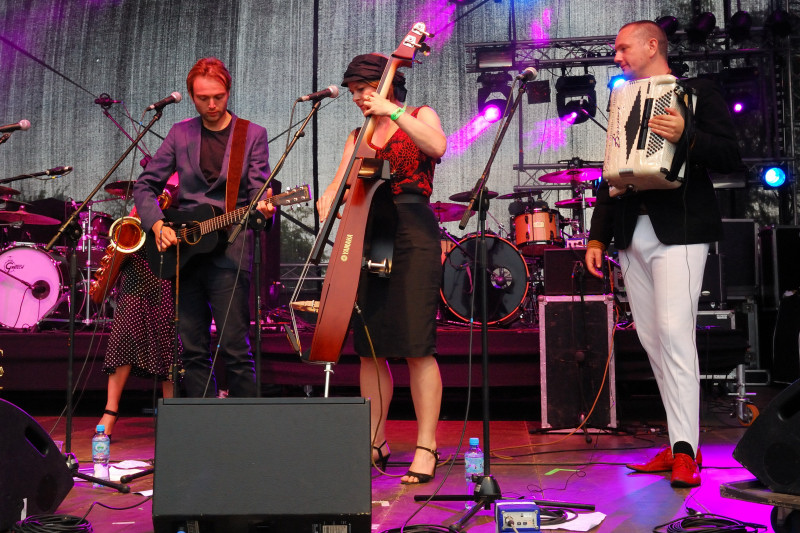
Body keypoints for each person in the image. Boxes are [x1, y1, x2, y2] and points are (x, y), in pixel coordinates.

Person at [585, 21, 742, 487]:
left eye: (622, 48)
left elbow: (732, 155)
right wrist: (598, 235)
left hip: (683, 230)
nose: (617, 56)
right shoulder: (621, 102)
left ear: (652, 45)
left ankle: (685, 452)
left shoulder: (698, 93)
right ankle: (679, 442)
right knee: (655, 342)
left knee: (675, 336)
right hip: (633, 233)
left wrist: (686, 133)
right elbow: (611, 171)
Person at [317, 53, 447, 484]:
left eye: (362, 91)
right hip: (368, 233)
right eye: (353, 92)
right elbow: (339, 185)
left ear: (387, 83)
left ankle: (426, 446)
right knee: (371, 346)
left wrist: (390, 110)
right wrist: (326, 201)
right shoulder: (358, 135)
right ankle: (375, 440)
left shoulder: (418, 114)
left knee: (415, 344)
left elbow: (437, 147)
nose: (357, 98)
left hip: (412, 230)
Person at [133, 57, 275, 398]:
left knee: (235, 348)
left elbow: (258, 191)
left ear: (228, 92)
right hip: (186, 253)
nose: (211, 105)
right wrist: (156, 226)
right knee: (193, 349)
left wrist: (265, 207)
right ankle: (202, 431)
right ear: (191, 96)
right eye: (202, 98)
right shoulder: (180, 133)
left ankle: (246, 436)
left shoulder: (251, 135)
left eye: (219, 96)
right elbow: (145, 185)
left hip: (230, 251)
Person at [97, 251, 178, 436]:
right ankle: (111, 410)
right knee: (123, 336)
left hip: (168, 257)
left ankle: (171, 411)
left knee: (167, 335)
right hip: (136, 257)